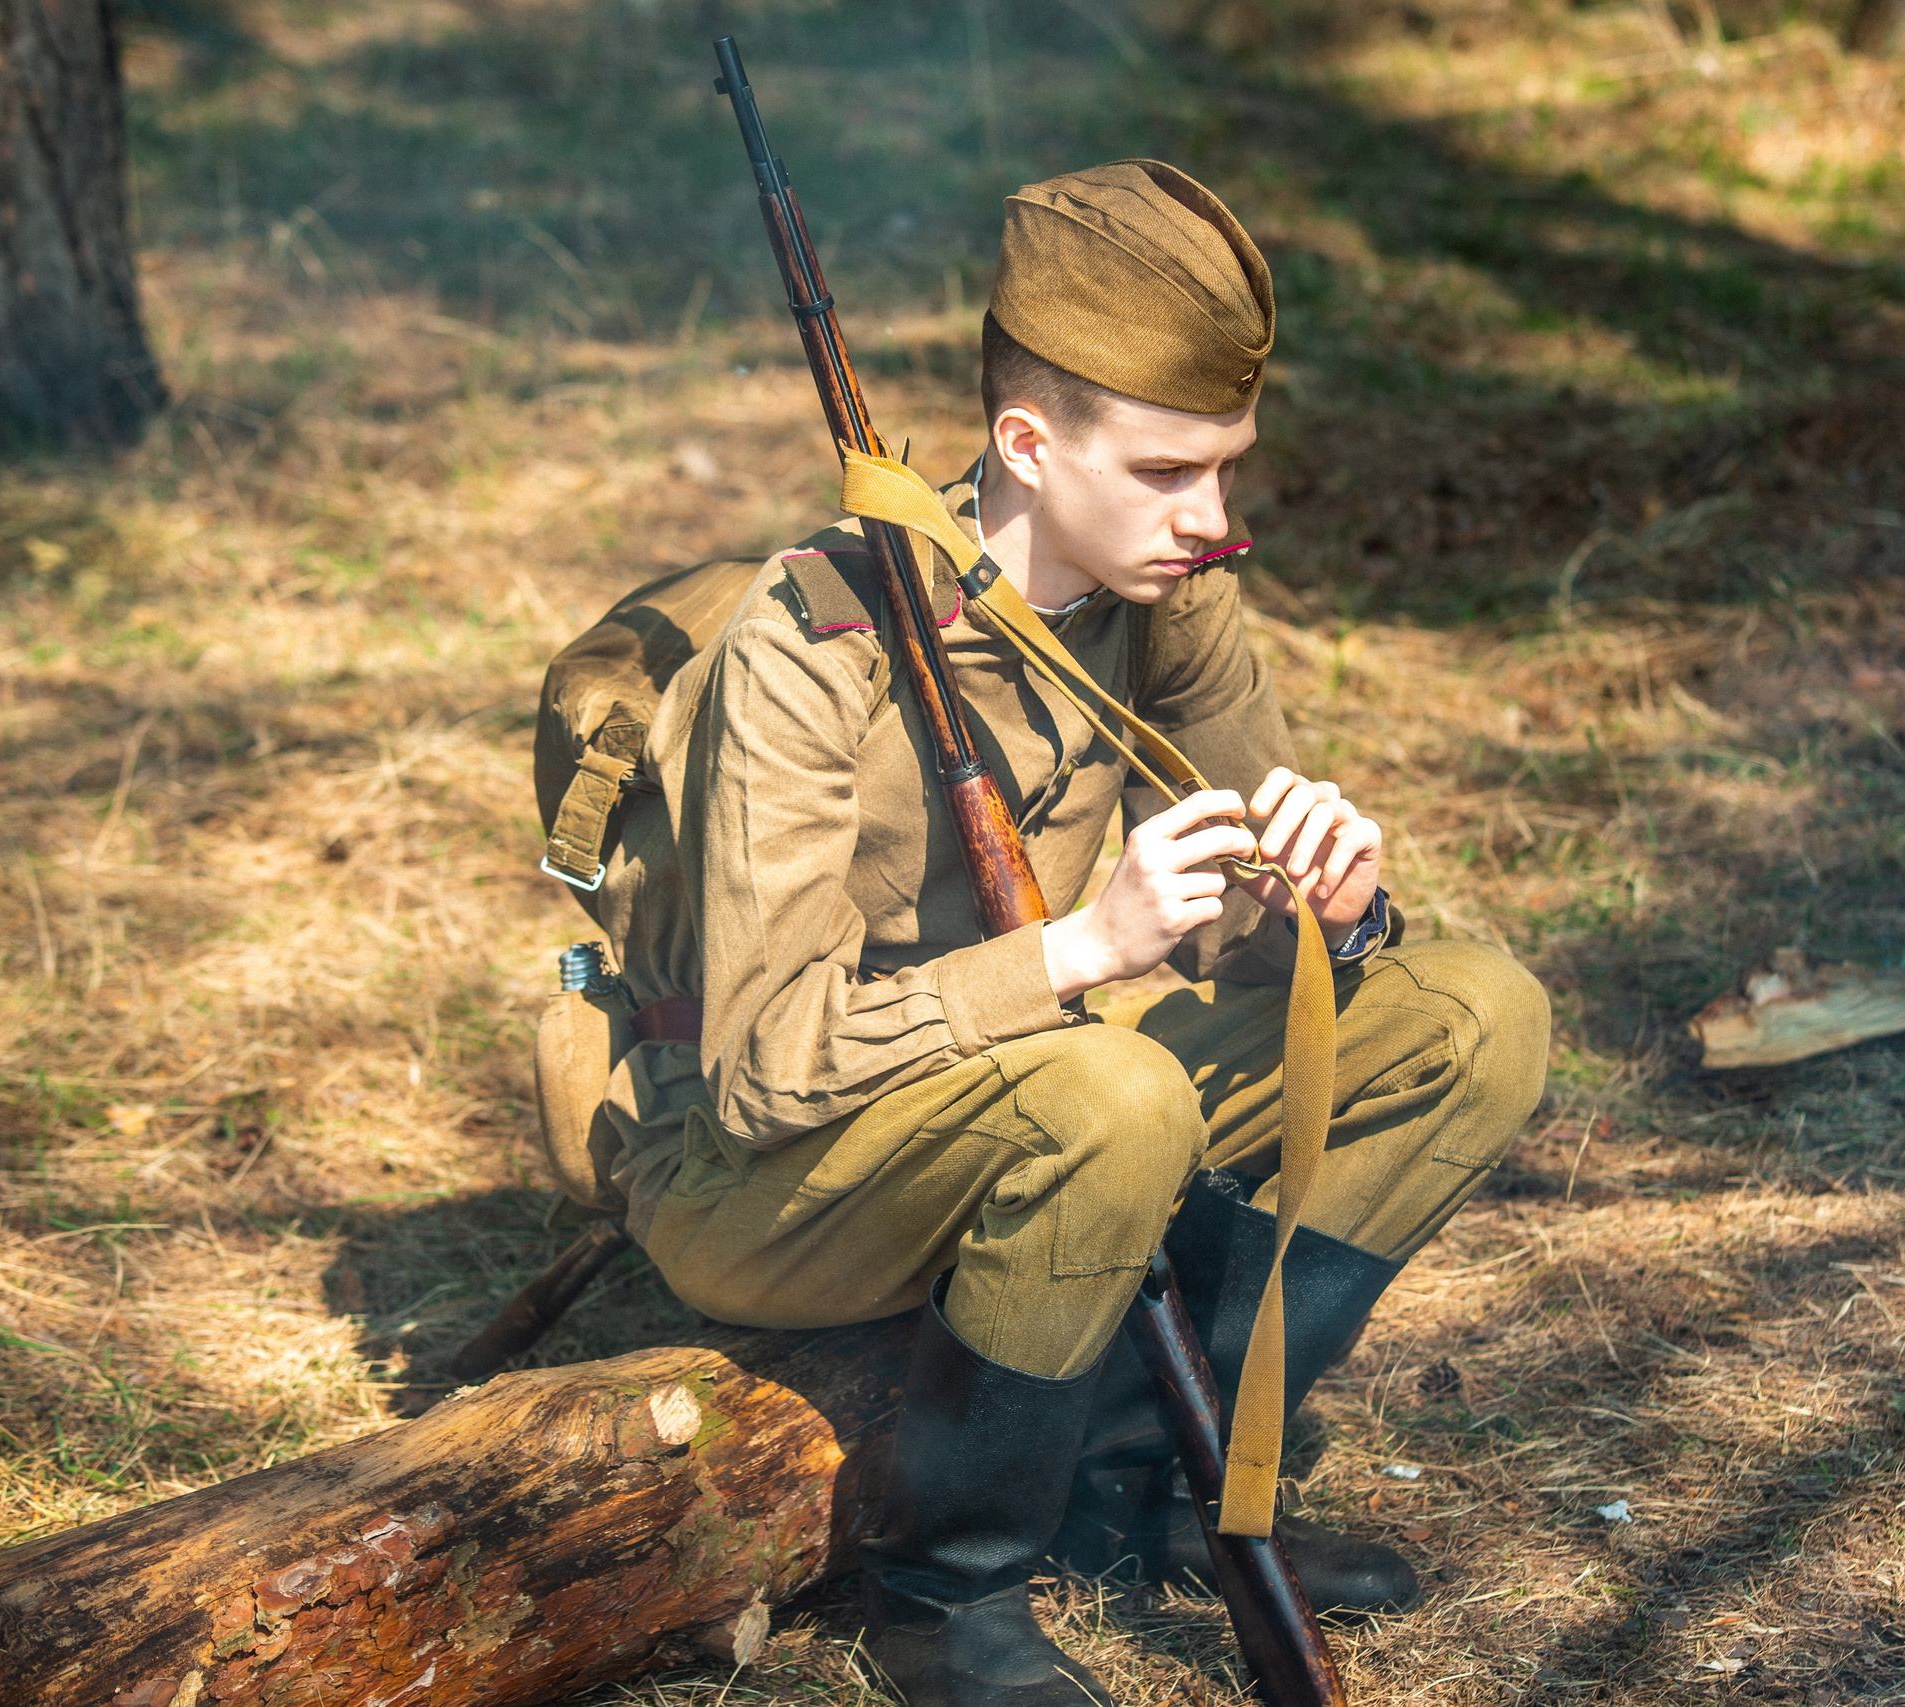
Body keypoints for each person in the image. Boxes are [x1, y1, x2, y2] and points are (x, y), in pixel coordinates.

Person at [568, 161, 1552, 1707]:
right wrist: (1084, 952)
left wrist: (1339, 919)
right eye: (1168, 472)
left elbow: (1243, 948)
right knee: (1115, 1091)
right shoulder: (810, 644)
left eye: (1224, 466)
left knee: (1479, 1013)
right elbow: (762, 1070)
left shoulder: (1168, 594)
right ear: (1027, 445)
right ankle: (943, 1601)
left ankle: (1145, 1479)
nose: (1212, 517)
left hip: (1036, 1080)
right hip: (765, 1167)